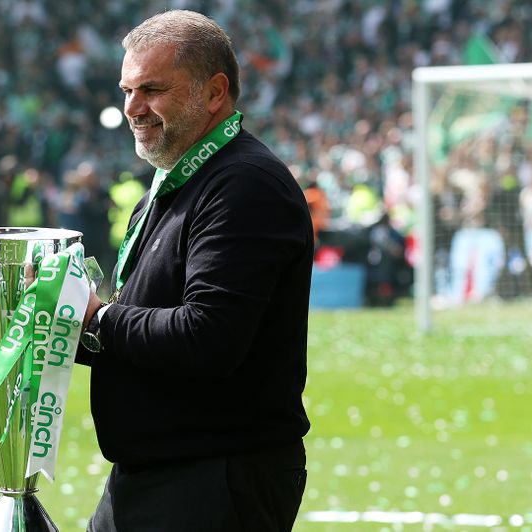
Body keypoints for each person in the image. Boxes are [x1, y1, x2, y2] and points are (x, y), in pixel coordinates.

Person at [77, 11, 313, 531]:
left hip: (215, 476)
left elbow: (209, 336)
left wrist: (96, 321)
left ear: (214, 93)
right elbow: (144, 333)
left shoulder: (245, 185)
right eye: (127, 90)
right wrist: (56, 327)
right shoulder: (175, 184)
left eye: (153, 90)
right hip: (155, 474)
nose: (132, 108)